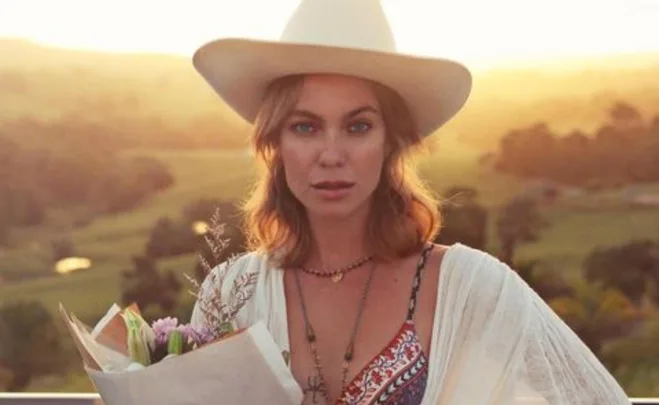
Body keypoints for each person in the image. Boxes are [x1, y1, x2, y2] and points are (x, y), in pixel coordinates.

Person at [190, 0, 632, 404]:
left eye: (358, 127)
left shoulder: (472, 288)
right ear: (275, 142)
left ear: (392, 143)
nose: (331, 154)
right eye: (305, 127)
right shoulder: (229, 295)